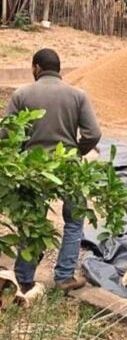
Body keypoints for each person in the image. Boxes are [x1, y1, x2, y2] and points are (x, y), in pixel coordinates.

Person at [4, 48, 102, 292]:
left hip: (32, 169)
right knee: (74, 220)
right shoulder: (77, 95)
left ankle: (24, 278)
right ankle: (64, 277)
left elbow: (7, 134)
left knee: (32, 221)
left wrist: (19, 155)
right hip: (68, 166)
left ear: (36, 67)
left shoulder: (22, 94)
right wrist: (77, 152)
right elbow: (94, 134)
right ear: (58, 69)